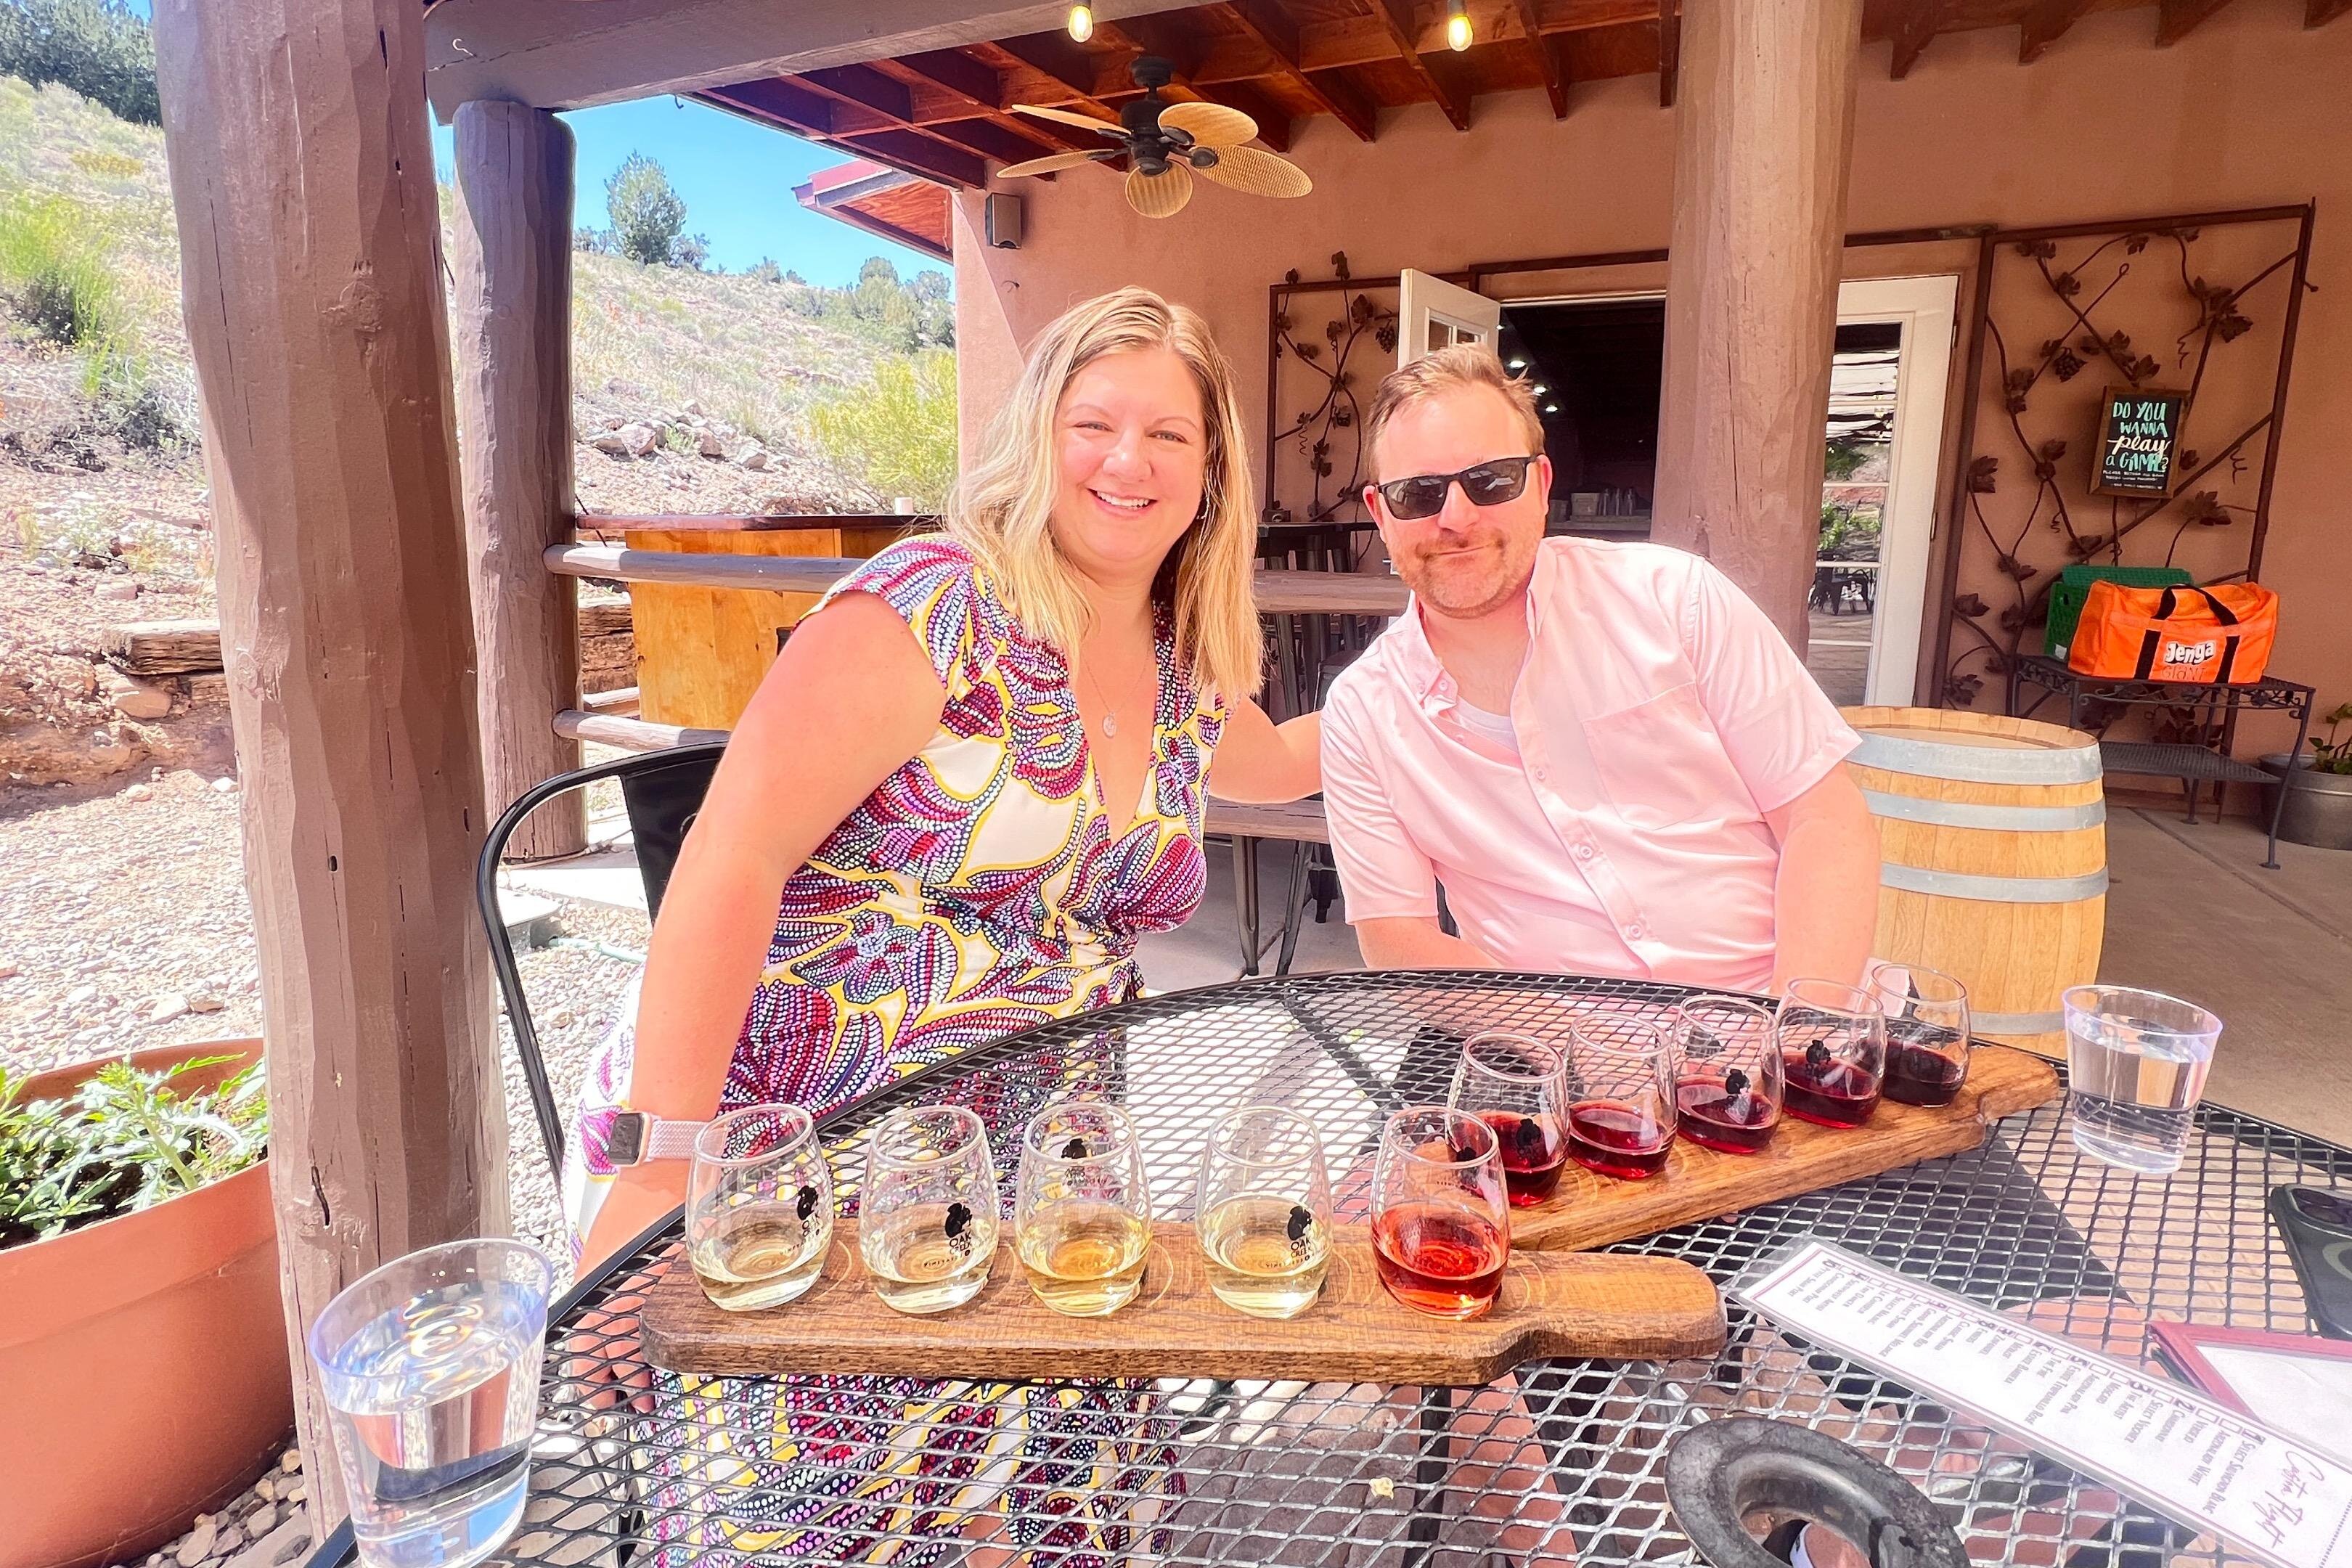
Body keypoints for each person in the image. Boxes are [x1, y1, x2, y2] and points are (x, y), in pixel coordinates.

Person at [563, 287, 1320, 1564]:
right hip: (811, 1134)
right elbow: (731, 857)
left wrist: (1448, 675)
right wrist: (657, 1166)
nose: (1128, 461)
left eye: (1168, 435)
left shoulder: (1185, 659)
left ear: (1212, 473)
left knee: (1038, 1507)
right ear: (1039, 436)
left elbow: (1278, 762)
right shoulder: (933, 610)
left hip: (1050, 1157)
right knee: (843, 1518)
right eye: (1094, 423)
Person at [1319, 344, 1879, 995]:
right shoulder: (1363, 714)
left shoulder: (1675, 599)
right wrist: (1580, 1051)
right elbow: (1398, 940)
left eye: (1491, 480)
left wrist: (1794, 1033)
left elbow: (1823, 820)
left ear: (1542, 486)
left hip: (1774, 1009)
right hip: (1545, 1038)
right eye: (1417, 493)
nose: (1456, 517)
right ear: (1380, 513)